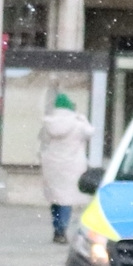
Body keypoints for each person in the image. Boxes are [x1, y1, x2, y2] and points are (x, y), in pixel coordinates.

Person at [37, 91, 94, 243]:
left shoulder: (49, 123)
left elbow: (42, 139)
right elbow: (91, 132)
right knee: (66, 199)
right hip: (71, 166)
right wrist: (83, 118)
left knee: (55, 198)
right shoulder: (78, 124)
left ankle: (57, 229)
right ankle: (62, 230)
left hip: (52, 166)